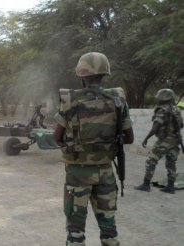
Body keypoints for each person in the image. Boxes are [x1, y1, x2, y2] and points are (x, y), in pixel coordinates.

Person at [53, 52, 134, 246]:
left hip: (77, 173)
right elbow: (129, 138)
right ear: (104, 74)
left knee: (75, 231)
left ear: (81, 75)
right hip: (105, 172)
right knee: (109, 230)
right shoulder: (117, 99)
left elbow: (56, 137)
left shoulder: (70, 99)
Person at [135, 88, 183, 194]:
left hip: (164, 141)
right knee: (171, 163)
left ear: (163, 97)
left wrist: (146, 138)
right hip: (175, 140)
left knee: (151, 161)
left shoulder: (162, 110)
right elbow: (181, 125)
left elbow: (156, 126)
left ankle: (146, 184)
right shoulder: (176, 109)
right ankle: (170, 187)